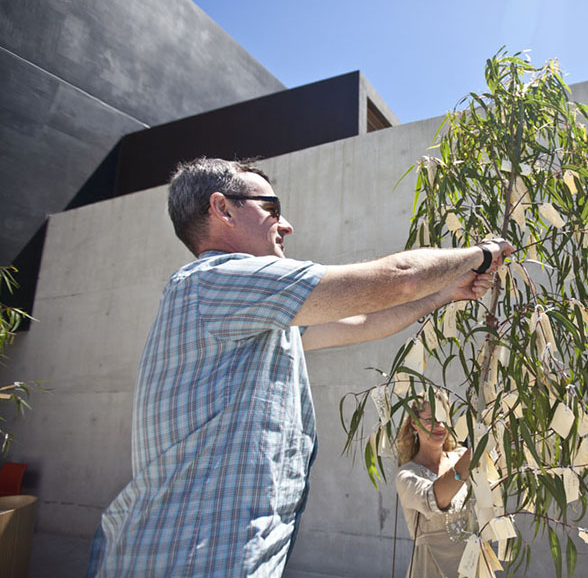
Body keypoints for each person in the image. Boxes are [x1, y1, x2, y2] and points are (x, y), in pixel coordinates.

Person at [86, 157, 511, 577]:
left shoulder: (253, 317)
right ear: (222, 208)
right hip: (185, 559)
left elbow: (364, 321)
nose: (285, 225)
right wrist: (482, 254)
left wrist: (445, 294)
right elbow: (400, 278)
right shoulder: (213, 281)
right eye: (270, 208)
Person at [395, 394, 473, 578]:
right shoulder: (407, 475)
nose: (439, 426)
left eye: (443, 419)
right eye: (431, 420)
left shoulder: (461, 456)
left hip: (471, 564)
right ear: (414, 423)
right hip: (430, 568)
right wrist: (476, 452)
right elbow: (436, 498)